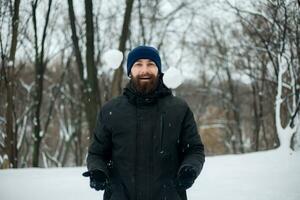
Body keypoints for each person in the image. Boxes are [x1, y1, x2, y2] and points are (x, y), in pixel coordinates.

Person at [83, 45, 205, 200]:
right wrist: (98, 170)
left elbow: (194, 149)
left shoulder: (179, 109)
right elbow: (96, 153)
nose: (144, 70)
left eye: (151, 64)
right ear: (130, 71)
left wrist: (189, 168)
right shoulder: (110, 110)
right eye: (138, 64)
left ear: (159, 70)